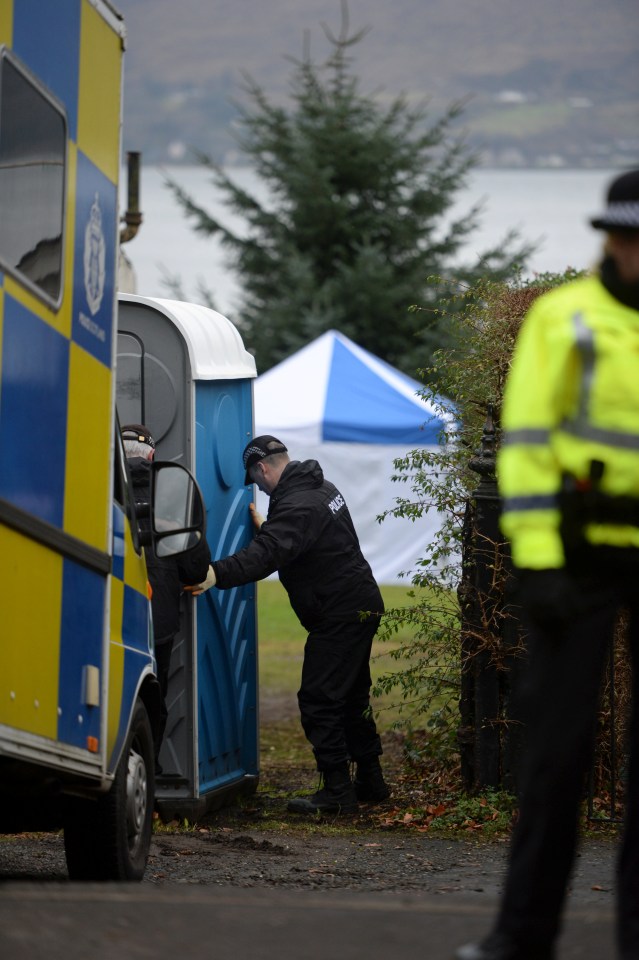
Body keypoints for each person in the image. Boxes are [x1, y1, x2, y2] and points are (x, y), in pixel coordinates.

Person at [455, 169, 639, 960]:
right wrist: (538, 568)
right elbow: (524, 452)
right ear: (608, 238)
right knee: (554, 758)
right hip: (577, 561)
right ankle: (520, 937)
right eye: (625, 237)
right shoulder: (564, 320)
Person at [189, 434, 390, 814]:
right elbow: (303, 542)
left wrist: (215, 573)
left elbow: (270, 554)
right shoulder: (320, 487)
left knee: (319, 699)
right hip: (359, 603)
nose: (259, 487)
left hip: (339, 613)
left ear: (262, 468)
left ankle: (337, 793)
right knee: (351, 696)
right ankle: (370, 781)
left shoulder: (297, 505)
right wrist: (270, 527)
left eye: (256, 480)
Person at [121, 424, 211, 769]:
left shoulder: (97, 490)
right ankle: (146, 774)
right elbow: (196, 568)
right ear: (154, 457)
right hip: (156, 622)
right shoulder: (172, 501)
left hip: (109, 616)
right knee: (151, 700)